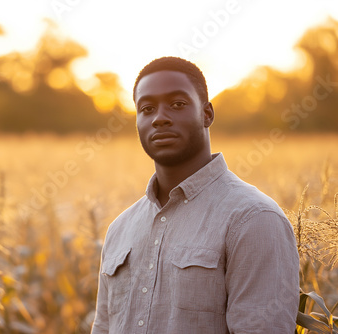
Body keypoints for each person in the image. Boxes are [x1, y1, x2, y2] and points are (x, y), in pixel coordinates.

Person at [91, 56, 300, 334]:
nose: (160, 118)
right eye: (147, 108)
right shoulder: (120, 229)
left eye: (177, 104)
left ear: (207, 114)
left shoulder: (254, 219)